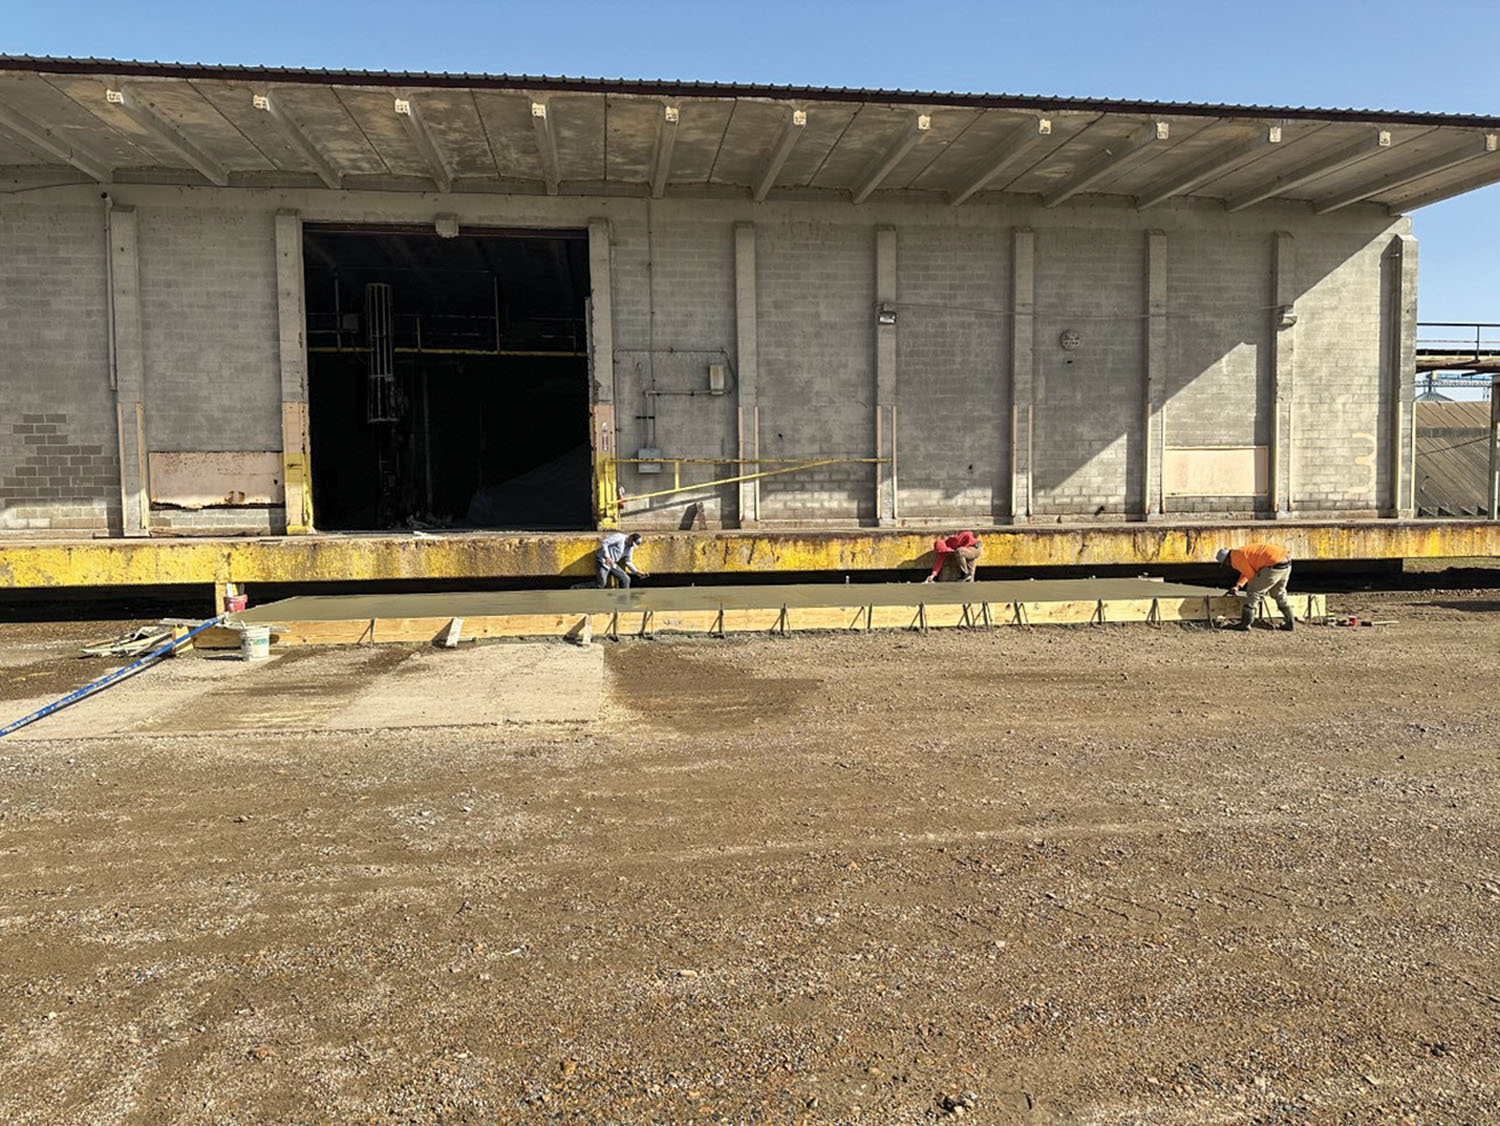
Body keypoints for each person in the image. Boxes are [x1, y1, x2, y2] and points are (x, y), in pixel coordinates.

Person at [1216, 543, 1294, 631]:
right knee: (1278, 593)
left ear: (1227, 559)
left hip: (1273, 565)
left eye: (1225, 564)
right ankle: (1290, 623)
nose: (1227, 566)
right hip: (1285, 563)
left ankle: (1245, 624)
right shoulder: (1239, 553)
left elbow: (1252, 576)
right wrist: (1238, 586)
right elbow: (1248, 571)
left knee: (1253, 592)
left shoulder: (1235, 559)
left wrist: (1256, 591)